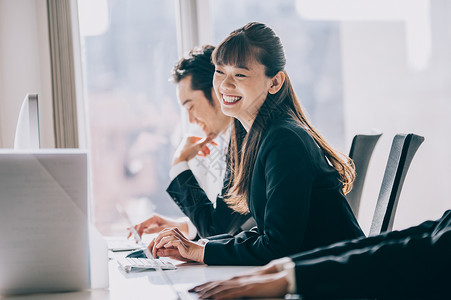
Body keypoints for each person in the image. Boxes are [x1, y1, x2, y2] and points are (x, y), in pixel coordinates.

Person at [148, 22, 364, 266]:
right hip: (315, 273)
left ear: (274, 82)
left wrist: (200, 251)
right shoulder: (252, 136)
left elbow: (278, 244)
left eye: (240, 74)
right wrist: (199, 247)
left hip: (336, 279)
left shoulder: (284, 140)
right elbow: (262, 232)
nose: (225, 85)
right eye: (220, 72)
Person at [130, 45, 253, 241]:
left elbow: (217, 231)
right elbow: (229, 223)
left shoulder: (246, 142)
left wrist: (179, 164)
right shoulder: (235, 138)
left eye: (191, 106)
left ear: (216, 91)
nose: (191, 119)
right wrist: (184, 227)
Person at [190, 209, 451, 299]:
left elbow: (425, 256)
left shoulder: (285, 138)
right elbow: (421, 236)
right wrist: (288, 267)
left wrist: (291, 277)